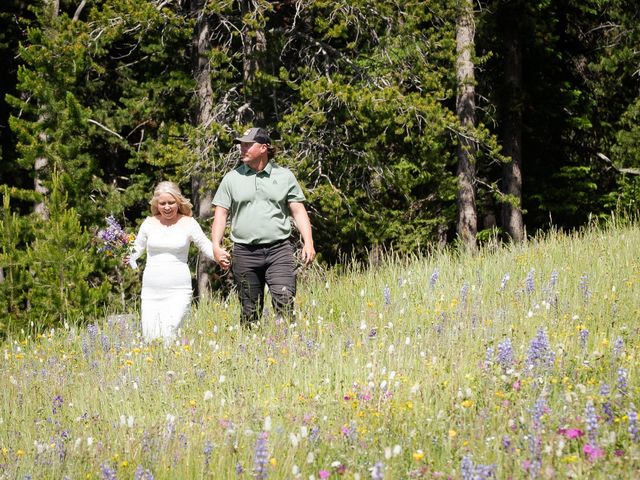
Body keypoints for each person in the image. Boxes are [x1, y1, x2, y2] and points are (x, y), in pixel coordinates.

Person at [211, 127, 315, 325]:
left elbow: (298, 211)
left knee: (284, 300)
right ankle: (252, 352)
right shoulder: (232, 179)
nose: (243, 148)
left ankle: (288, 348)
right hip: (244, 252)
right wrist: (216, 245)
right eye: (241, 144)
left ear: (264, 147)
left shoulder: (284, 176)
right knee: (250, 310)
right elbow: (221, 214)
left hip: (279, 250)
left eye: (248, 144)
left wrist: (308, 242)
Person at [128, 181, 215, 342]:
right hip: (151, 291)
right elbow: (136, 249)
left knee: (170, 333)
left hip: (178, 289)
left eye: (171, 202)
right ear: (156, 204)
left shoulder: (188, 223)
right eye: (162, 203)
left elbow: (205, 245)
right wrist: (126, 254)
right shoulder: (148, 223)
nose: (167, 207)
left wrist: (221, 256)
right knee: (151, 337)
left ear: (179, 202)